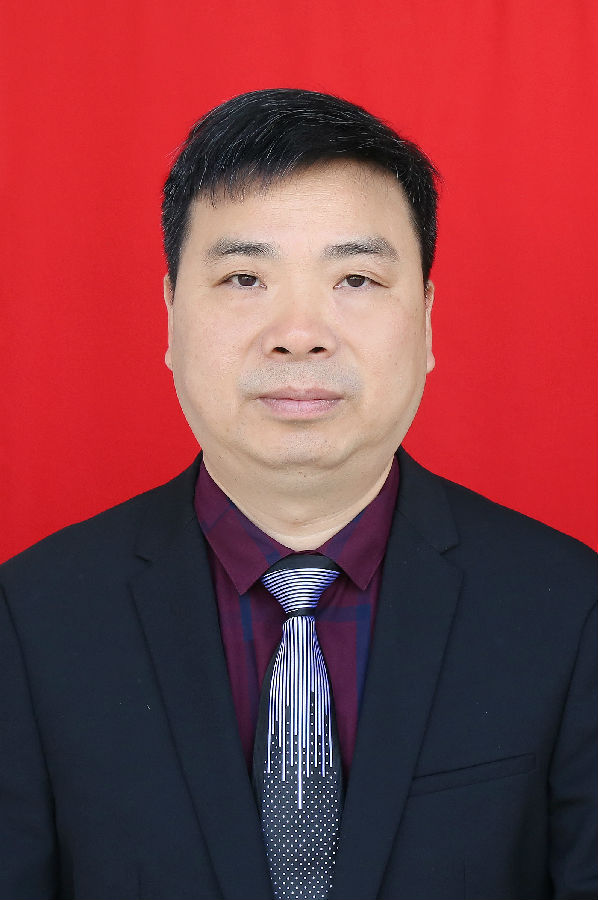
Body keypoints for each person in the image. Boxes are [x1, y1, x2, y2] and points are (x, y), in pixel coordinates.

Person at [0, 89, 595, 900]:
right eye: (245, 277)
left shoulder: (570, 610)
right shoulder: (31, 620)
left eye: (355, 278)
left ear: (426, 318)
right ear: (170, 313)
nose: (300, 333)